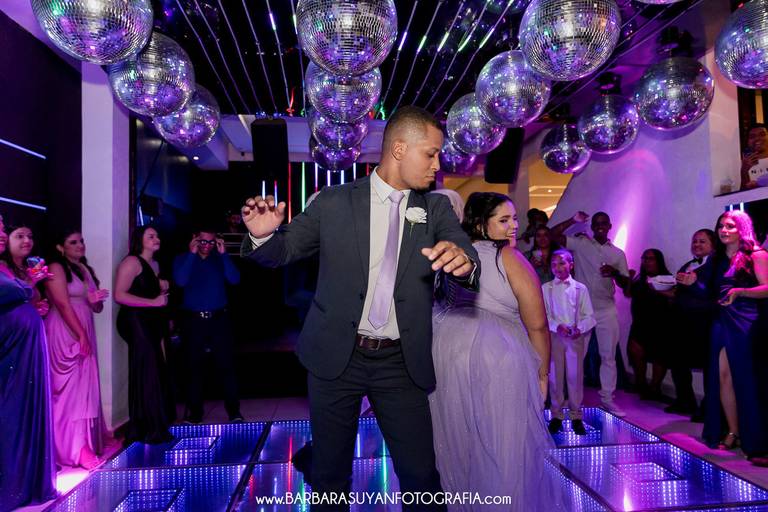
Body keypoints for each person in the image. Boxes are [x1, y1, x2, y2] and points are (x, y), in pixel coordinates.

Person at [241, 106, 478, 509]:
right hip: (336, 358)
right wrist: (264, 237)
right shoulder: (334, 202)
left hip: (400, 363)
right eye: (431, 153)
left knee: (421, 475)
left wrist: (464, 262)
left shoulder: (435, 209)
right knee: (330, 475)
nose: (438, 164)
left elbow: (463, 250)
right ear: (399, 149)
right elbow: (286, 249)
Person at [429, 192, 558, 510]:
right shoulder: (508, 257)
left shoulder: (453, 253)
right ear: (480, 224)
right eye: (504, 220)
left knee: (458, 440)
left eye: (514, 218)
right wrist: (542, 374)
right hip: (497, 355)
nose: (514, 226)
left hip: (446, 349)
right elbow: (538, 325)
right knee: (502, 444)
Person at [682, 211, 768, 466]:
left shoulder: (757, 255)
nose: (724, 230)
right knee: (722, 378)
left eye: (730, 226)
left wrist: (741, 292)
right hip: (721, 320)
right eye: (721, 226)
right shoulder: (717, 259)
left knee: (747, 379)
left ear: (742, 228)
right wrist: (692, 283)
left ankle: (756, 438)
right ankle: (733, 431)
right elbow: (709, 293)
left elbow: (766, 288)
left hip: (747, 321)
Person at [0, 214, 56, 511]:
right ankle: (13, 485)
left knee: (28, 409)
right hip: (10, 351)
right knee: (13, 412)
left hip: (25, 348)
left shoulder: (12, 268)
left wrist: (35, 305)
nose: (1, 233)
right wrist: (29, 285)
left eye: (2, 227)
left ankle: (29, 480)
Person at [551, 211, 631, 416]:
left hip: (606, 308)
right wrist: (572, 220)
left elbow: (626, 285)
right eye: (596, 223)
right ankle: (572, 399)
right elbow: (552, 235)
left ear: (610, 226)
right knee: (577, 356)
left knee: (608, 356)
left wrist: (614, 272)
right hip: (582, 309)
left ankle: (607, 399)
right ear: (592, 227)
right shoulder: (581, 244)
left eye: (604, 223)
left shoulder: (618, 254)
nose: (600, 226)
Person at [43, 229, 110, 468]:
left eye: (81, 241)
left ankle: (84, 444)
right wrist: (80, 334)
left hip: (83, 327)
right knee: (69, 391)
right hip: (65, 330)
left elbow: (96, 308)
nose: (80, 245)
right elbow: (62, 304)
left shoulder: (83, 268)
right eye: (73, 242)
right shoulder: (56, 267)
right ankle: (72, 448)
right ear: (60, 247)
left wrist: (95, 302)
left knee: (84, 388)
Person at [173, 227, 242, 424]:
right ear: (194, 239)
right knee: (194, 367)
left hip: (219, 319)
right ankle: (195, 413)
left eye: (211, 242)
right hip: (194, 320)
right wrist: (191, 254)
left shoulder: (219, 258)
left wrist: (224, 255)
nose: (207, 246)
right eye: (203, 241)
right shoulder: (182, 259)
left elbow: (235, 279)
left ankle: (234, 412)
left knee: (226, 365)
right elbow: (180, 281)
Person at [115, 226, 174, 444]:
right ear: (140, 240)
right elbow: (119, 295)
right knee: (147, 369)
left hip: (150, 320)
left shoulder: (155, 264)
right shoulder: (131, 262)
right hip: (134, 320)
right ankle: (147, 427)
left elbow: (151, 293)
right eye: (151, 236)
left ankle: (153, 422)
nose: (156, 238)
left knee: (155, 368)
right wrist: (153, 301)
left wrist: (161, 292)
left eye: (157, 235)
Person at [542, 249, 596, 436]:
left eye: (562, 263)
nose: (557, 267)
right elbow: (543, 314)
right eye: (553, 264)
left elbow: (589, 315)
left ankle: (576, 416)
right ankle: (556, 415)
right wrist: (556, 326)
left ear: (571, 265)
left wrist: (579, 328)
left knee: (575, 376)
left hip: (574, 337)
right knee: (555, 377)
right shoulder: (546, 288)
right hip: (554, 336)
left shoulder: (581, 289)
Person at [668, 229, 717, 418]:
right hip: (683, 323)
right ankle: (685, 401)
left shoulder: (717, 266)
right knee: (678, 362)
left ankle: (708, 409)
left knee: (708, 366)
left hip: (704, 322)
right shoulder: (688, 265)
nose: (697, 244)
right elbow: (680, 291)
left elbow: (712, 294)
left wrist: (694, 284)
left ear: (713, 245)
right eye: (695, 241)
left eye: (702, 241)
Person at [627, 249, 674, 401]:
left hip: (659, 324)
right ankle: (641, 384)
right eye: (644, 258)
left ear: (658, 261)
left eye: (651, 259)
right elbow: (629, 293)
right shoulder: (640, 279)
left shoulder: (667, 279)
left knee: (659, 357)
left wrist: (657, 288)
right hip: (640, 323)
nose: (647, 261)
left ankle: (655, 387)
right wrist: (629, 279)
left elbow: (674, 297)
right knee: (636, 352)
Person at [0, 222, 50, 317]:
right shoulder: (2, 267)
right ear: (6, 241)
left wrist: (36, 308)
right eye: (20, 236)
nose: (27, 240)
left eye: (30, 237)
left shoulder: (28, 267)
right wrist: (31, 281)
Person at [740, 124, 768, 190]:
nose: (757, 138)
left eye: (762, 134)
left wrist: (759, 183)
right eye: (752, 136)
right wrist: (744, 171)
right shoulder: (743, 164)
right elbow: (743, 193)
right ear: (747, 141)